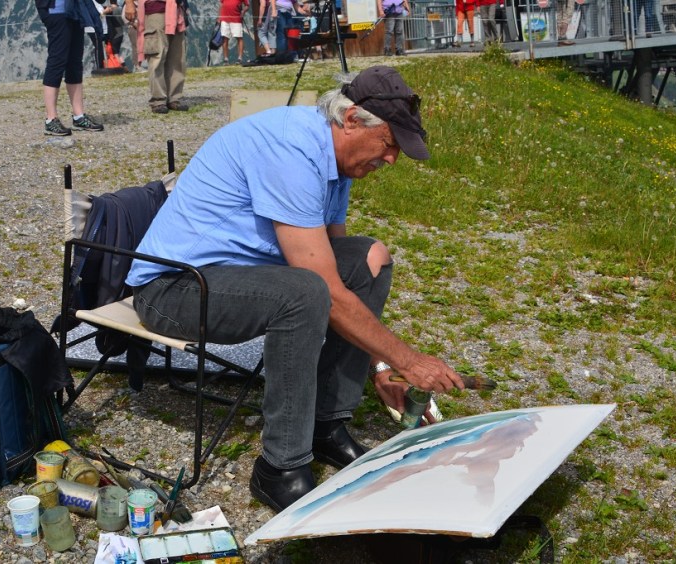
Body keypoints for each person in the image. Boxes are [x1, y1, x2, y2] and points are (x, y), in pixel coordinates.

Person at [125, 66, 465, 513]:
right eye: (388, 144)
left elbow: (341, 271)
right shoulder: (291, 149)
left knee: (369, 258)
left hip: (239, 276)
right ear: (351, 120)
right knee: (305, 293)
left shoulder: (335, 159)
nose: (391, 159)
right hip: (175, 287)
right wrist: (409, 361)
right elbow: (324, 288)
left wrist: (382, 365)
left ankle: (325, 424)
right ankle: (279, 467)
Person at [35, 0, 105, 136]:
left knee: (75, 62)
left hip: (75, 10)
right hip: (55, 9)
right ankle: (51, 119)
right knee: (57, 60)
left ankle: (79, 116)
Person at [124, 0, 188, 113]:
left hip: (176, 9)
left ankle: (174, 98)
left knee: (177, 57)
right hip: (154, 11)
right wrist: (129, 4)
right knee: (157, 56)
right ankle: (158, 100)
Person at [219, 0, 249, 64]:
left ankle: (240, 58)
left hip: (236, 18)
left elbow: (247, 5)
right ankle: (226, 59)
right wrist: (219, 17)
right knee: (224, 38)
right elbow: (221, 4)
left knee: (239, 37)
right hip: (224, 18)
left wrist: (243, 11)